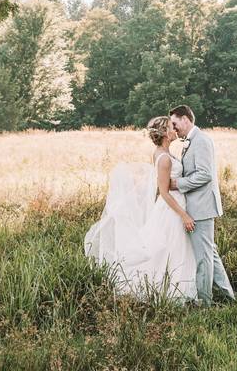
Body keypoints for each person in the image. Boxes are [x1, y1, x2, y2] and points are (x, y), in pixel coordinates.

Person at [84, 115, 197, 301]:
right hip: (171, 209)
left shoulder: (161, 152)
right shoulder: (165, 159)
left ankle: (173, 285)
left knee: (169, 248)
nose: (175, 129)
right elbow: (164, 192)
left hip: (172, 205)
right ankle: (171, 289)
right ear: (165, 134)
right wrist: (184, 215)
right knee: (170, 249)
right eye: (171, 127)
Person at [168, 104, 236, 305]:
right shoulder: (191, 141)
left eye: (174, 123)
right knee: (210, 253)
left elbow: (205, 174)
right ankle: (227, 295)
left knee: (204, 257)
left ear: (185, 119)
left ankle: (205, 302)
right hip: (197, 205)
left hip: (202, 207)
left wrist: (178, 184)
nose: (173, 128)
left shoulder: (202, 140)